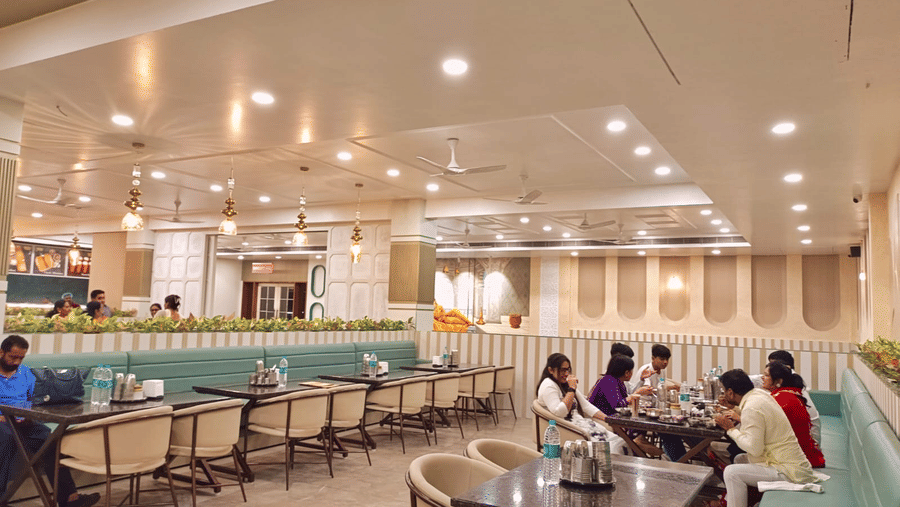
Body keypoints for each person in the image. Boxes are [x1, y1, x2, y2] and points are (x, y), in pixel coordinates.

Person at [0, 335, 101, 507]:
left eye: (21, 357)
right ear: (1, 352)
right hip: (2, 422)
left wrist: (30, 414)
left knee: (51, 439)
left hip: (23, 421)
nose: (16, 361)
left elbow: (34, 399)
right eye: (12, 357)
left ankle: (70, 499)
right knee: (6, 440)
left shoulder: (26, 373)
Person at [714, 369, 816, 507]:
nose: (724, 394)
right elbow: (757, 418)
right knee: (739, 459)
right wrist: (735, 409)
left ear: (731, 392)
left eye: (724, 391)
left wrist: (730, 429)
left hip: (788, 471)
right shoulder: (759, 394)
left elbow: (754, 449)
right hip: (790, 463)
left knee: (732, 473)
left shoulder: (751, 407)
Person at [535, 353, 625, 452]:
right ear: (551, 370)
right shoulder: (549, 385)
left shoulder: (565, 384)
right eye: (562, 370)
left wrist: (609, 420)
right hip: (570, 430)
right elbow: (560, 412)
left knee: (621, 442)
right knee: (613, 448)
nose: (566, 374)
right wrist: (572, 389)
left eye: (567, 369)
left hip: (583, 425)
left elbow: (587, 406)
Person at [587, 355, 666, 457]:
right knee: (638, 427)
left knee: (640, 425)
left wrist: (635, 394)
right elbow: (618, 404)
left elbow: (625, 400)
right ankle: (639, 446)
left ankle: (640, 446)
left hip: (614, 416)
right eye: (631, 371)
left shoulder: (618, 382)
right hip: (603, 418)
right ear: (626, 372)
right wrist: (637, 393)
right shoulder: (608, 381)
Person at [762, 362, 825, 468]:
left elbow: (763, 426)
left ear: (779, 381)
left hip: (799, 460)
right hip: (803, 453)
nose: (762, 378)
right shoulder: (788, 394)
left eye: (766, 375)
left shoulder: (784, 400)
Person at [751, 350, 820, 444]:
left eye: (767, 375)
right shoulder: (789, 384)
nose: (763, 377)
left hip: (806, 441)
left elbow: (765, 426)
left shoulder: (784, 397)